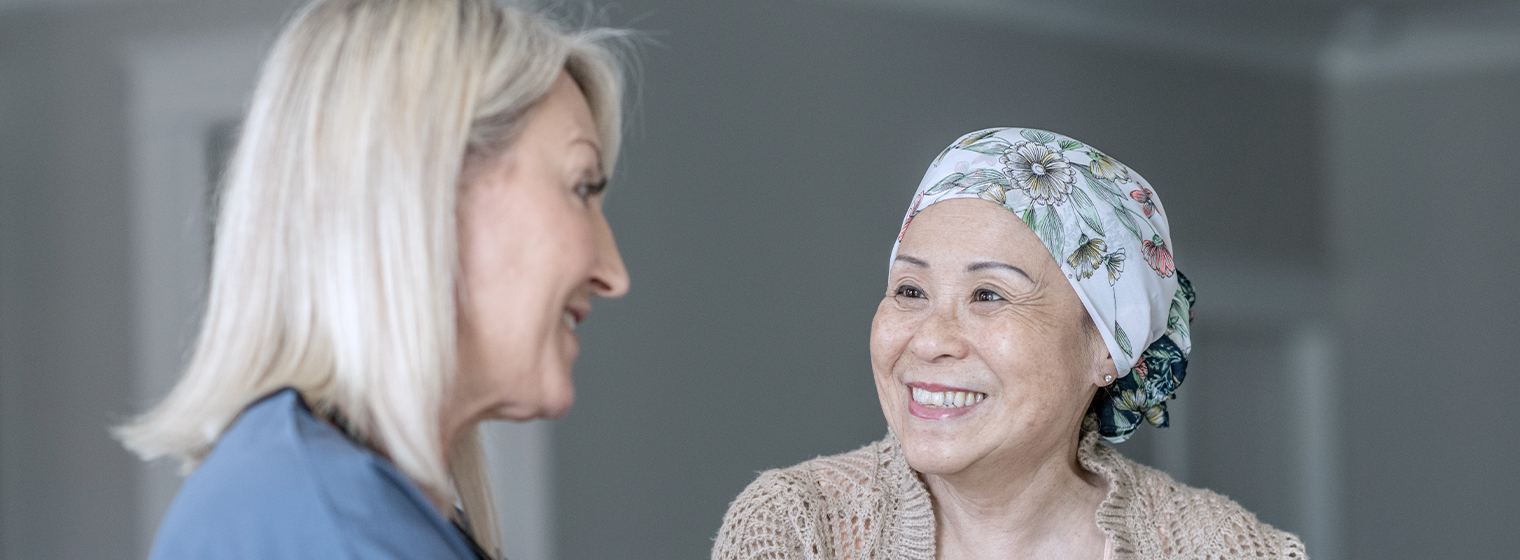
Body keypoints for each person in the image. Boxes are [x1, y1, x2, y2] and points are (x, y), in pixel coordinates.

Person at [114, 0, 631, 558]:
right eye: (581, 188)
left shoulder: (345, 510)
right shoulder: (323, 521)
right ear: (427, 189)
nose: (613, 274)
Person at [713, 128, 1306, 559]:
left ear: (1107, 346)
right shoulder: (798, 529)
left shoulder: (1229, 550)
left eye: (989, 295)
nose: (932, 340)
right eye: (911, 290)